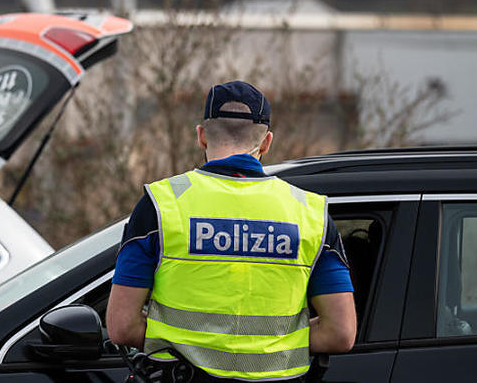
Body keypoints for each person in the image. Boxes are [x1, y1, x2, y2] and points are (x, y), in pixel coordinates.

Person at [107, 81, 357, 382]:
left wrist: (186, 344)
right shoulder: (309, 212)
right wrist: (273, 347)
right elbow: (340, 333)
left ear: (201, 136)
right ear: (266, 143)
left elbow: (121, 325)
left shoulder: (162, 204)